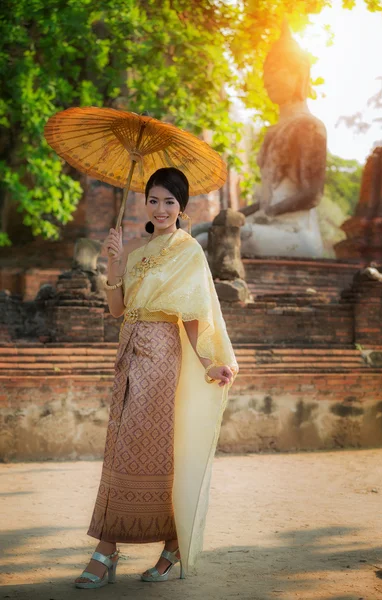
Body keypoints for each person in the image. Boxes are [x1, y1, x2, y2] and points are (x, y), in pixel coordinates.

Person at [74, 167, 238, 589]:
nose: (161, 208)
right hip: (128, 354)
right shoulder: (135, 248)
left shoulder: (188, 251)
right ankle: (132, 548)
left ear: (182, 207)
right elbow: (116, 309)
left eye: (169, 201)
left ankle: (120, 548)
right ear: (143, 203)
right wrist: (112, 263)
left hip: (164, 357)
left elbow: (191, 316)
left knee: (147, 448)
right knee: (120, 448)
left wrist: (206, 363)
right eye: (153, 199)